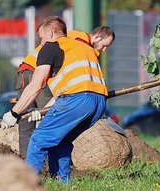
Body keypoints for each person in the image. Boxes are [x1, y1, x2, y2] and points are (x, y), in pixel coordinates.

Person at [1, 16, 108, 183]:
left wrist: (14, 113)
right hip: (98, 102)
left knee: (38, 139)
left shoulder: (51, 46)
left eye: (42, 38)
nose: (41, 43)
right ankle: (62, 182)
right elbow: (68, 87)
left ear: (50, 33)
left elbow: (36, 85)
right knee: (61, 140)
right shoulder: (83, 47)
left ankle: (27, 185)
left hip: (77, 98)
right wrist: (41, 111)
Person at [14, 25, 115, 157]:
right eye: (104, 45)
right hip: (41, 71)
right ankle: (44, 164)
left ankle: (27, 160)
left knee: (28, 122)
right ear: (97, 37)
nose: (104, 50)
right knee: (53, 121)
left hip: (27, 71)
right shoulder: (79, 42)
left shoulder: (72, 38)